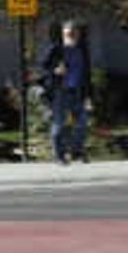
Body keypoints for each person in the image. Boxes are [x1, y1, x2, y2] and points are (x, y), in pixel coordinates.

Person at [37, 21, 95, 163]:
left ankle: (76, 151)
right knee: (60, 124)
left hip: (78, 92)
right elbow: (42, 67)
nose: (72, 35)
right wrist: (55, 70)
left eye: (75, 33)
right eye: (69, 33)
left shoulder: (82, 50)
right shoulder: (56, 49)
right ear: (63, 34)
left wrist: (89, 96)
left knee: (82, 123)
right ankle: (59, 155)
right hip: (60, 92)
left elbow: (86, 75)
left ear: (79, 34)